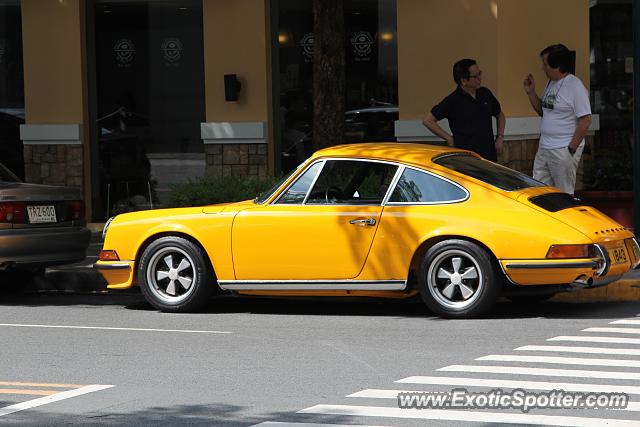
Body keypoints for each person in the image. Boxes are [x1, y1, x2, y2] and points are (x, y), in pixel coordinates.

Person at [523, 44, 592, 194]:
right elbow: (544, 111)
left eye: (545, 64)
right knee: (540, 192)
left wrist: (570, 149)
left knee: (563, 194)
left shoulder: (575, 87)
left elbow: (585, 120)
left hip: (563, 148)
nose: (543, 68)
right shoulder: (551, 83)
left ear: (557, 66)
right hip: (545, 147)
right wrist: (531, 92)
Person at [423, 59, 505, 162]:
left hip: (489, 157)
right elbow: (428, 120)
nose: (480, 78)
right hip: (466, 161)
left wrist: (500, 137)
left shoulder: (485, 94)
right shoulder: (453, 100)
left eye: (480, 73)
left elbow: (500, 115)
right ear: (463, 80)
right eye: (475, 76)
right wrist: (449, 138)